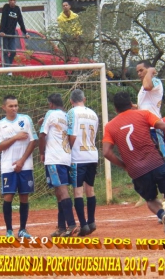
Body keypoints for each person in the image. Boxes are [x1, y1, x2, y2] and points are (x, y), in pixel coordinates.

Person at [102, 91, 165, 243]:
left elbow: (106, 152)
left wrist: (124, 166)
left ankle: (162, 214)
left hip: (137, 170)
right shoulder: (143, 114)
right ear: (131, 104)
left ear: (115, 108)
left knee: (150, 200)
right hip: (156, 163)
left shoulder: (110, 126)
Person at [0, 95, 38, 238]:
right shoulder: (0, 125)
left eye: (16, 106)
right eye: (11, 106)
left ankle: (23, 229)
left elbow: (33, 141)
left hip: (25, 165)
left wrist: (21, 160)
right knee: (8, 196)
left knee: (24, 197)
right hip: (8, 167)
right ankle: (9, 231)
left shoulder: (25, 120)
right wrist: (15, 137)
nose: (14, 108)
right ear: (4, 108)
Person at [39, 93, 78, 237]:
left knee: (62, 191)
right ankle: (61, 227)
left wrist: (41, 152)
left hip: (54, 158)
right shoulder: (67, 116)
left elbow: (42, 134)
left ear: (50, 104)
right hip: (66, 157)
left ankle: (72, 225)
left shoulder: (50, 113)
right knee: (59, 193)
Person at [67, 89, 98, 236]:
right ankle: (92, 221)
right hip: (92, 154)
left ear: (71, 101)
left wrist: (67, 150)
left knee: (78, 192)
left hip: (78, 156)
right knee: (90, 189)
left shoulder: (72, 112)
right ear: (84, 99)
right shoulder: (93, 113)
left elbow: (72, 135)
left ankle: (84, 224)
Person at [134, 60, 165, 207]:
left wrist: (151, 70)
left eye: (141, 70)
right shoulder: (142, 89)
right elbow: (142, 108)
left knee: (160, 163)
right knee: (145, 164)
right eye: (138, 72)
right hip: (144, 129)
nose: (139, 74)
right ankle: (151, 196)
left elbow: (148, 85)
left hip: (154, 129)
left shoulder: (155, 81)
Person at [0, 0, 30, 73]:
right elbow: (3, 19)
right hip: (4, 34)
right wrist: (2, 31)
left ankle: (7, 68)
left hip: (12, 34)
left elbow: (21, 21)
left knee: (13, 52)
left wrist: (25, 33)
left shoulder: (17, 9)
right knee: (5, 52)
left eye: (13, 0)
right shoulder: (6, 7)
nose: (12, 2)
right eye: (10, 0)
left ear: (15, 1)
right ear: (8, 1)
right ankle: (8, 71)